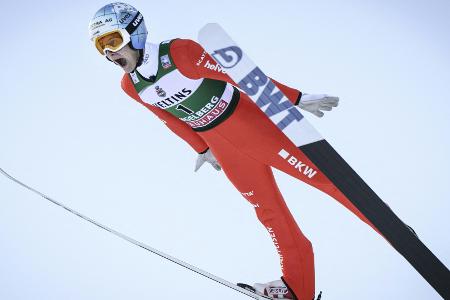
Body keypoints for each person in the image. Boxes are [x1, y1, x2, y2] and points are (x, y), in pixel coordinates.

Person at [89, 3, 339, 300]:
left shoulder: (179, 53)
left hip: (250, 127)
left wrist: (295, 98)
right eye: (101, 46)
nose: (109, 53)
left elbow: (242, 78)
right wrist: (203, 148)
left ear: (135, 32)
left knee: (328, 180)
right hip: (224, 148)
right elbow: (168, 118)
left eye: (113, 41)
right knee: (270, 215)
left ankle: (393, 230)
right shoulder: (131, 86)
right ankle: (298, 288)